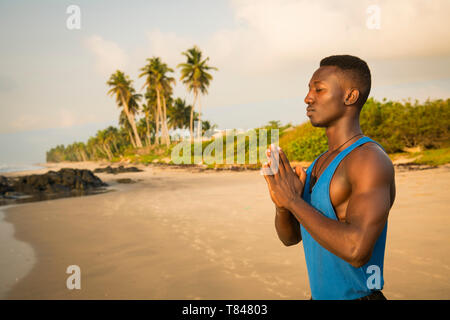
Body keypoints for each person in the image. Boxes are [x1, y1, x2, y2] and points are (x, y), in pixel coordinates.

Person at [262, 55, 395, 300]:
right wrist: (282, 205)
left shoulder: (368, 160)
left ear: (350, 96)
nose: (308, 97)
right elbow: (290, 238)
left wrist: (294, 201)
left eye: (319, 89)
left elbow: (357, 250)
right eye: (309, 89)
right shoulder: (319, 163)